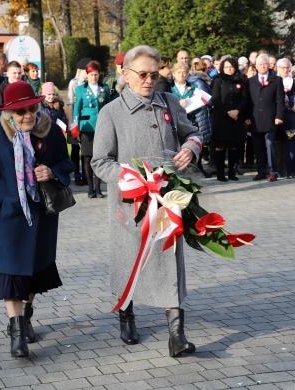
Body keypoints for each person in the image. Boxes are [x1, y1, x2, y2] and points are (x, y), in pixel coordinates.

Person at [91, 45, 202, 357]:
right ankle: (126, 314)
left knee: (169, 258)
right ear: (125, 75)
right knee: (130, 261)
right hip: (130, 205)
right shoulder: (110, 112)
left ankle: (176, 334)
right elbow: (100, 162)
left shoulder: (168, 102)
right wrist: (131, 178)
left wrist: (191, 148)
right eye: (142, 74)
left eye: (154, 74)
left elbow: (192, 133)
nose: (149, 80)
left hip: (168, 199)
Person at [0, 81, 75, 358]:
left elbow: (66, 163)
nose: (28, 117)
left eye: (31, 110)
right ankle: (18, 335)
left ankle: (26, 315)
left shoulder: (51, 131)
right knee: (10, 273)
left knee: (34, 273)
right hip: (6, 215)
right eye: (21, 112)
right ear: (9, 113)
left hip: (40, 215)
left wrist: (52, 171)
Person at [73, 60, 110, 198]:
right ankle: (90, 188)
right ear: (86, 75)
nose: (94, 77)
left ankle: (99, 188)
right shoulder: (80, 89)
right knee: (87, 158)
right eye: (91, 75)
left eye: (96, 74)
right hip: (86, 127)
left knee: (99, 157)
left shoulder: (104, 88)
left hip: (101, 127)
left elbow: (108, 107)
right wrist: (75, 129)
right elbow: (76, 111)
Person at [246, 54, 285, 182]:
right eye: (260, 64)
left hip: (271, 118)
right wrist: (246, 117)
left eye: (265, 63)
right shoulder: (250, 81)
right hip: (255, 119)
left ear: (269, 65)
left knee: (270, 144)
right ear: (256, 66)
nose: (263, 66)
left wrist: (279, 116)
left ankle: (273, 171)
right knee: (258, 147)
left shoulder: (277, 80)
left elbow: (280, 101)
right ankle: (261, 171)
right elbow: (247, 101)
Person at [171, 62, 211, 178]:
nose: (182, 75)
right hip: (176, 120)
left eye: (184, 72)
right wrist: (179, 103)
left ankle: (196, 168)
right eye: (179, 72)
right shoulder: (170, 88)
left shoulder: (192, 87)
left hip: (192, 119)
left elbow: (200, 101)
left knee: (193, 144)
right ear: (174, 74)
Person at [211, 57, 249, 181]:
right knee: (220, 146)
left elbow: (244, 98)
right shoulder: (217, 80)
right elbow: (215, 99)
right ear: (222, 68)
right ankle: (220, 173)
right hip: (222, 118)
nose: (229, 69)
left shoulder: (242, 80)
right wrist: (227, 112)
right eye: (226, 67)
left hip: (236, 118)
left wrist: (237, 111)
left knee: (234, 146)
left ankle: (232, 172)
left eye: (231, 67)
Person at [66, 57, 91, 186]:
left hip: (86, 121)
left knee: (86, 149)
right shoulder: (74, 83)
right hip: (76, 120)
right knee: (75, 148)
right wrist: (71, 121)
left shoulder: (91, 83)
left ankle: (87, 175)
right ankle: (77, 175)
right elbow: (70, 103)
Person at [283, 95, 295, 178]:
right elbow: (284, 127)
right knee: (291, 155)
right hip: (291, 138)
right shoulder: (288, 115)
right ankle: (289, 172)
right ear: (293, 105)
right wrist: (288, 133)